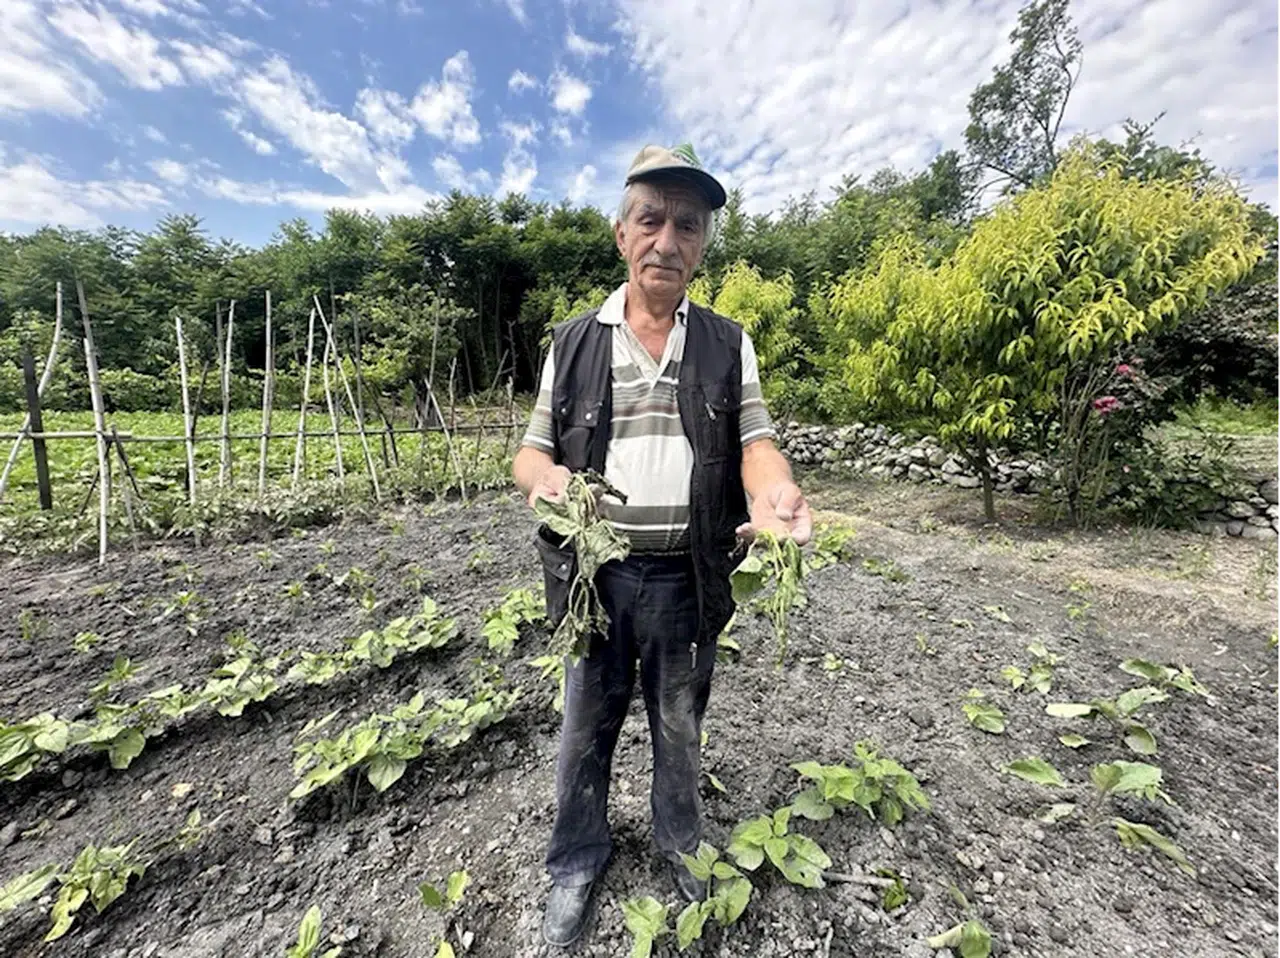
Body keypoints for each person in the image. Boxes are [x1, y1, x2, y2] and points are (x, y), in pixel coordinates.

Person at [511, 143, 812, 948]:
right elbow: (532, 452)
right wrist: (550, 486)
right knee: (585, 726)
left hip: (687, 575)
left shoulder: (725, 342)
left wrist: (772, 494)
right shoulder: (574, 343)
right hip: (596, 577)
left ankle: (681, 845)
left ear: (704, 243)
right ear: (622, 234)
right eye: (652, 220)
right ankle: (576, 861)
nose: (667, 241)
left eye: (688, 225)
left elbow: (756, 442)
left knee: (679, 727)